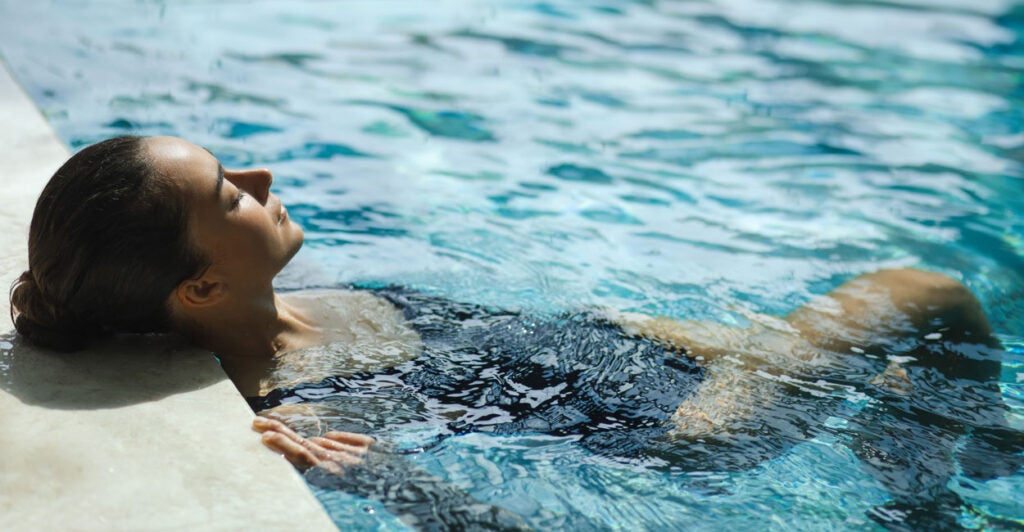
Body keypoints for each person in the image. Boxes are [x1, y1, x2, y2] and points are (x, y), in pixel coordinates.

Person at [11, 135, 1022, 528]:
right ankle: (959, 467)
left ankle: (926, 495)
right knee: (924, 291)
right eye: (230, 194)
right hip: (687, 430)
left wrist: (743, 340)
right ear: (195, 289)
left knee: (896, 372)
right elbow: (492, 528)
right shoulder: (300, 401)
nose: (263, 180)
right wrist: (378, 479)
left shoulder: (320, 298)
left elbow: (539, 331)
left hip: (650, 358)